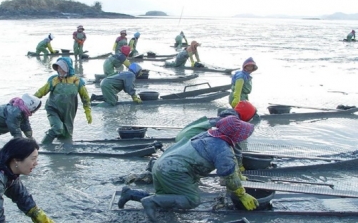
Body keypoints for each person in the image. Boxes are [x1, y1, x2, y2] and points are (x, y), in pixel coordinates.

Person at [117, 116, 258, 222]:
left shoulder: (208, 134)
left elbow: (232, 166)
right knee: (191, 200)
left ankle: (131, 194)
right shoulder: (222, 150)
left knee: (168, 198)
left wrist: (239, 175)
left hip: (162, 164)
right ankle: (150, 202)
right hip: (173, 171)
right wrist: (241, 194)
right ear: (235, 136)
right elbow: (230, 178)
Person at [34, 57, 92, 143]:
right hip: (53, 109)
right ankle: (43, 146)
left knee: (66, 134)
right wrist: (29, 103)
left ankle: (63, 152)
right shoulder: (54, 80)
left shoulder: (77, 81)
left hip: (68, 112)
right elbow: (40, 92)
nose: (60, 70)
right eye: (58, 68)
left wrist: (87, 111)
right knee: (58, 128)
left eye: (62, 68)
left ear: (68, 68)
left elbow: (85, 98)